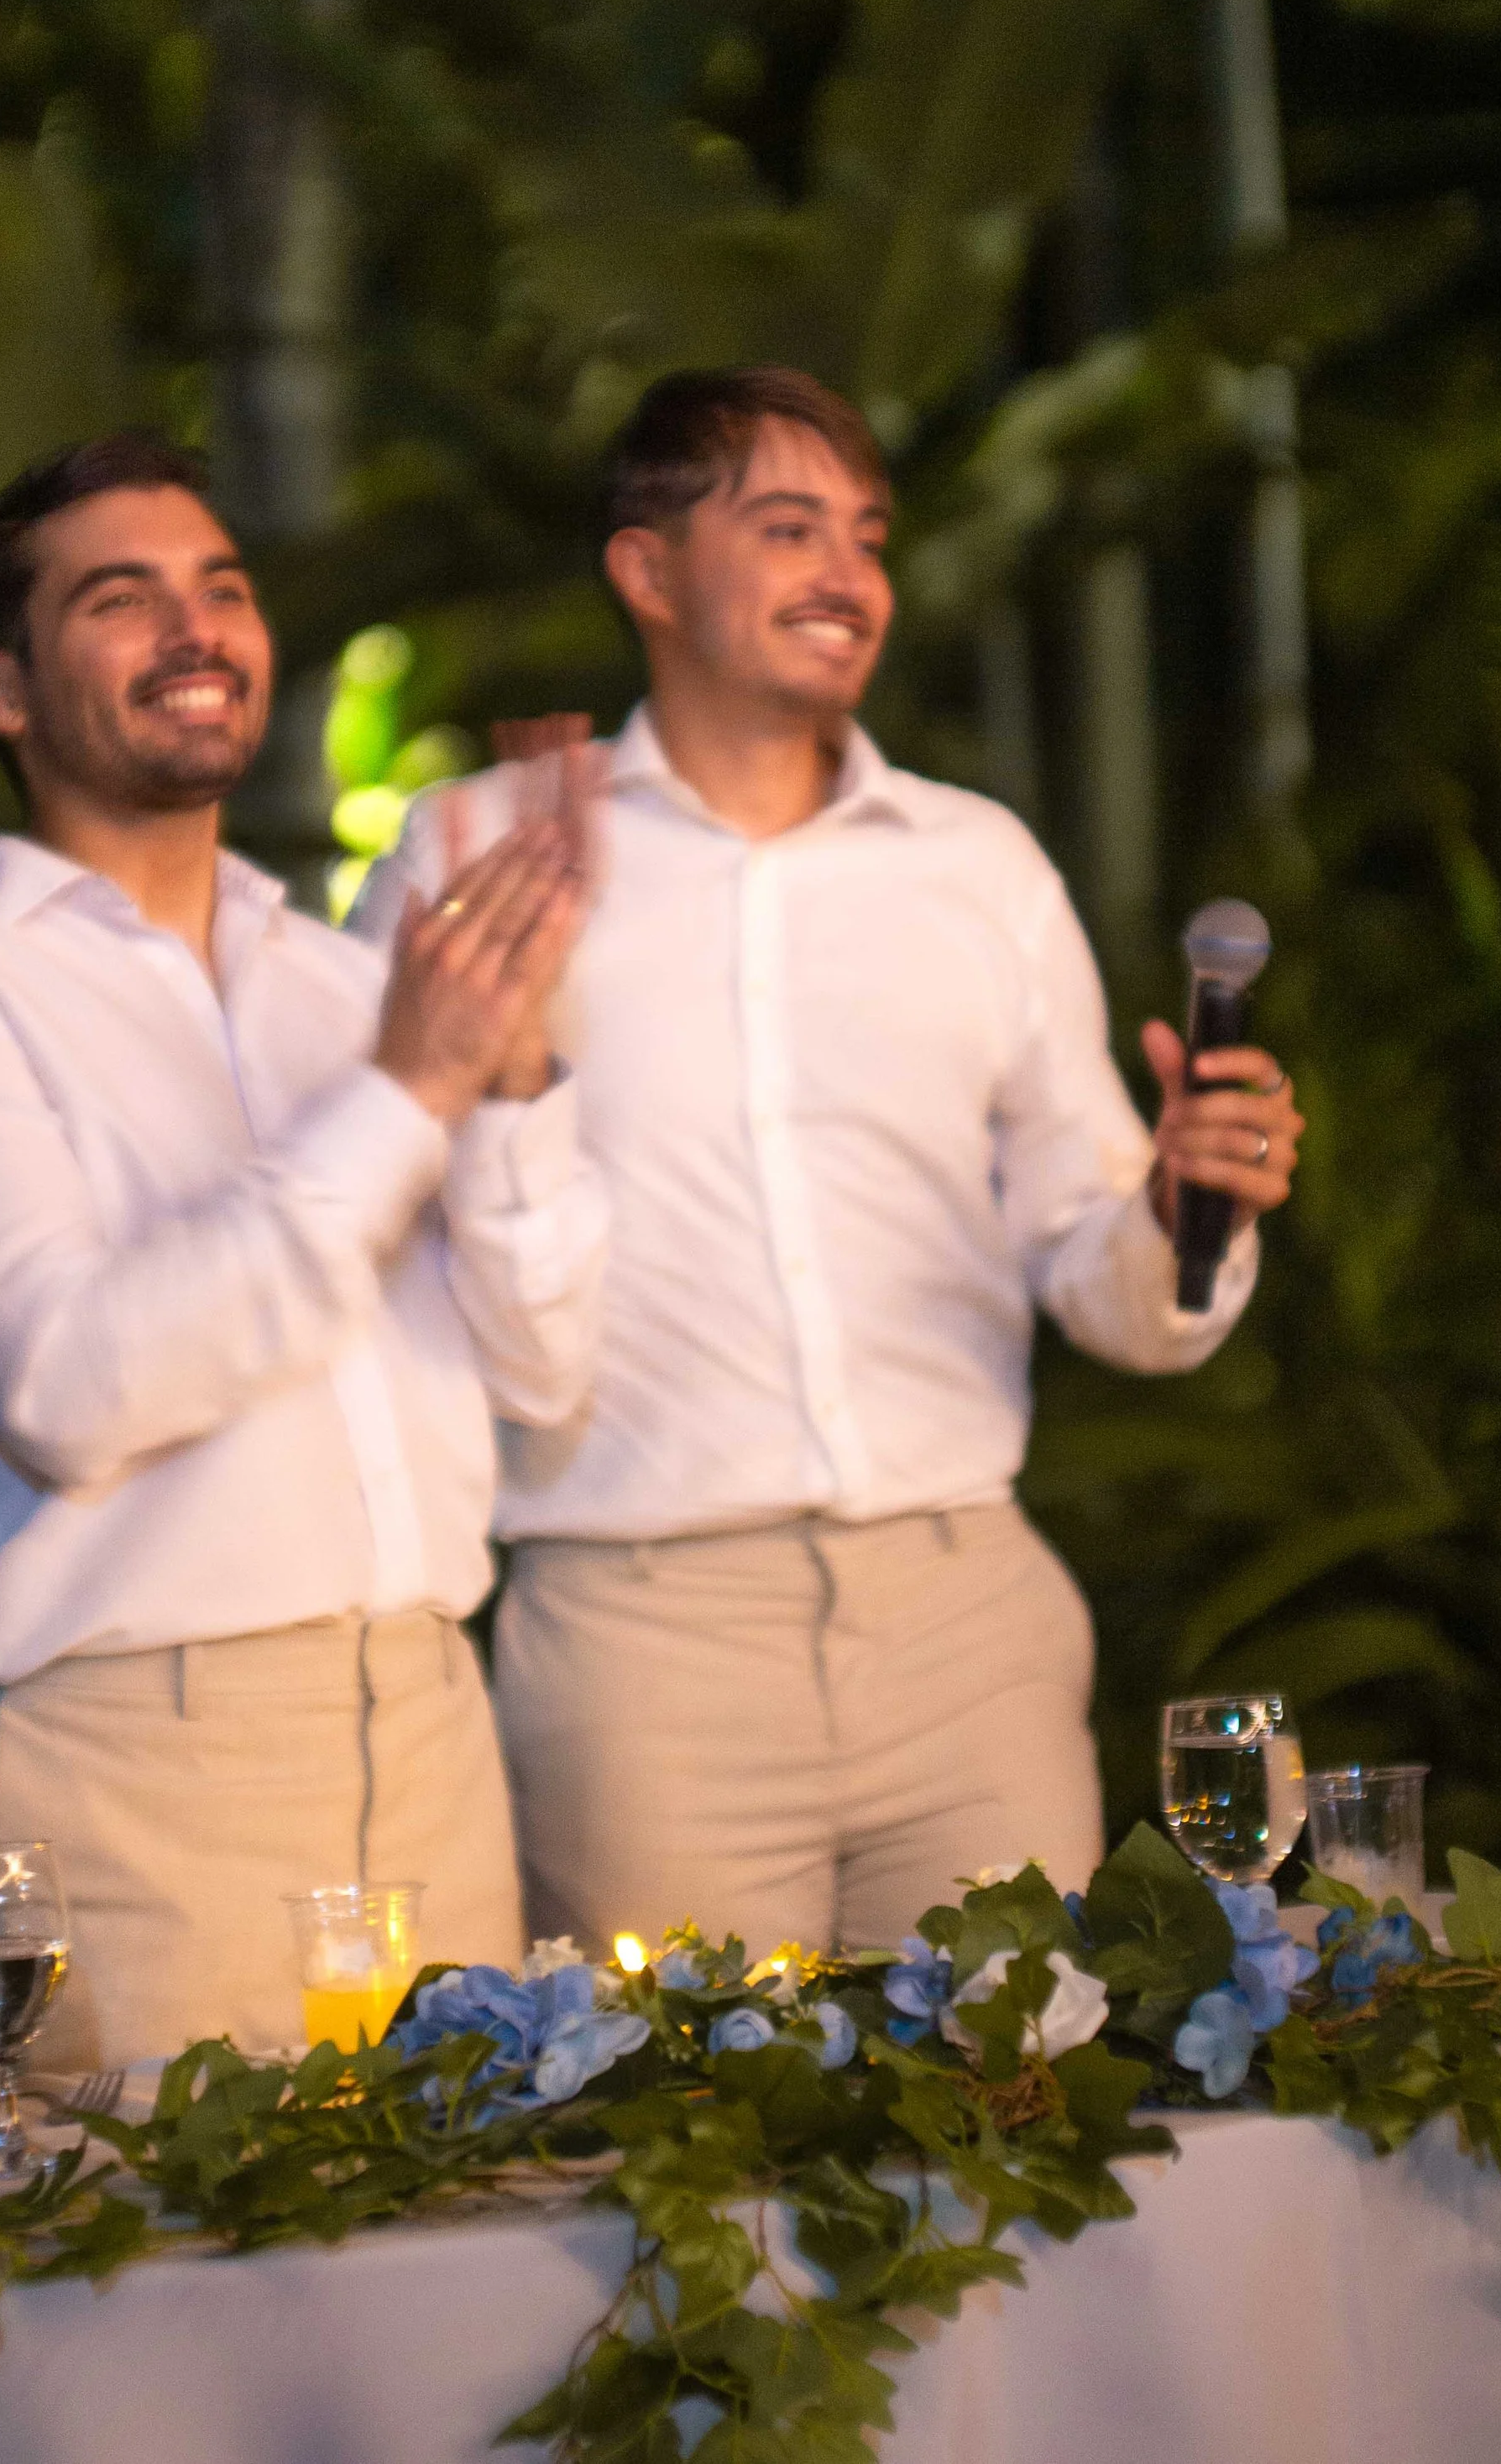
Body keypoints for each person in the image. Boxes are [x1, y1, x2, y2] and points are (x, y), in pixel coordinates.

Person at [354, 365, 1303, 1958]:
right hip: (641, 1639)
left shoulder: (978, 866)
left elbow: (1115, 1290)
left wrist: (1171, 1205)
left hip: (967, 1621)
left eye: (867, 535)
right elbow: (372, 1247)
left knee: (1020, 2090)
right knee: (678, 2111)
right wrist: (503, 1068)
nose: (850, 575)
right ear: (647, 569)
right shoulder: (479, 854)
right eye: (790, 528)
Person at [0, 431, 605, 2062]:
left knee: (482, 2226)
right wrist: (411, 1089)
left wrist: (515, 1076)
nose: (196, 628)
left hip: (431, 1732)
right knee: (139, 2231)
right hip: (133, 1772)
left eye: (220, 588)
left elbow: (544, 1373)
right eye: (121, 598)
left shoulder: (345, 986)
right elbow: (70, 1388)